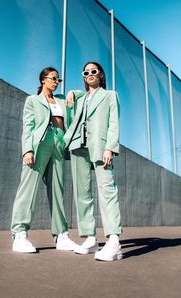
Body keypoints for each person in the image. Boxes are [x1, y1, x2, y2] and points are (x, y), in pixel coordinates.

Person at [11, 67, 76, 253]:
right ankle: (20, 234)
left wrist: (72, 92)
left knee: (57, 189)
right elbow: (28, 127)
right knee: (28, 189)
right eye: (53, 78)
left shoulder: (63, 100)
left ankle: (61, 235)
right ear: (43, 80)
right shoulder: (32, 101)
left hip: (59, 143)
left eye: (59, 80)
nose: (56, 82)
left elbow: (81, 99)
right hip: (39, 143)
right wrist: (27, 150)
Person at [64, 62, 123, 261]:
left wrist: (110, 148)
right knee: (83, 193)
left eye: (93, 71)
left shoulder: (110, 95)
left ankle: (114, 240)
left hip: (101, 147)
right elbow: (73, 116)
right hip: (78, 146)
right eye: (86, 72)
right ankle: (90, 238)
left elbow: (114, 123)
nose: (89, 74)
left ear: (101, 75)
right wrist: (72, 93)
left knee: (107, 190)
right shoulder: (81, 98)